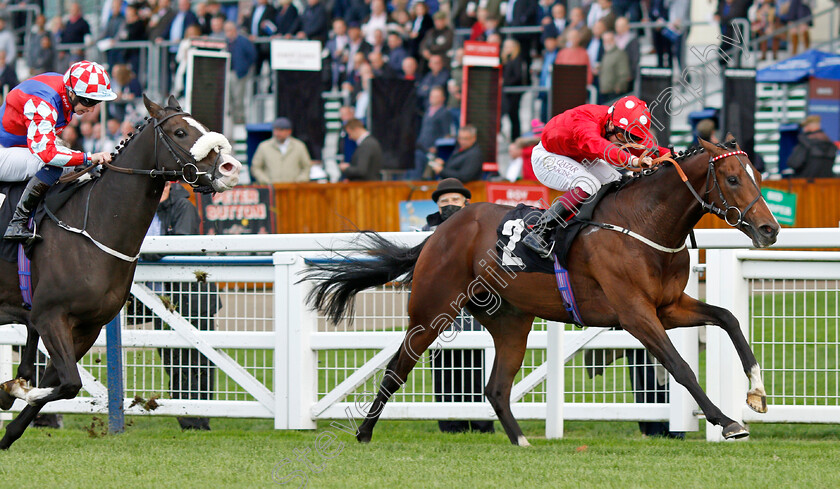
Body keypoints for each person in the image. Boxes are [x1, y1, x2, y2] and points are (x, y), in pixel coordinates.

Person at [520, 95, 671, 256]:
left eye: (632, 137)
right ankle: (539, 232)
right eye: (623, 137)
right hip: (547, 157)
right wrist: (632, 160)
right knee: (588, 184)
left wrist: (672, 156)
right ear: (611, 124)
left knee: (617, 182)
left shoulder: (616, 123)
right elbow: (600, 147)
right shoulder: (585, 123)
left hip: (577, 155)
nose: (626, 142)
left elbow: (645, 146)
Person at [1, 61, 116, 242]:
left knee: (70, 162)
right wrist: (88, 157)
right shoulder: (45, 101)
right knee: (54, 163)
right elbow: (46, 154)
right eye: (88, 101)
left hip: (19, 145)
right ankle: (17, 222)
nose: (92, 108)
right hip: (5, 149)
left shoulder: (64, 90)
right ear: (71, 92)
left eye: (97, 101)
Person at [143, 181, 218, 431]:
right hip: (163, 300)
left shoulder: (183, 207)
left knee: (197, 362)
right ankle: (187, 417)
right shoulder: (146, 207)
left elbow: (179, 243)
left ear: (169, 183)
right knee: (173, 362)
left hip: (192, 299)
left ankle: (198, 419)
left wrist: (139, 249)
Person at [422, 178, 495, 435]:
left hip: (476, 312)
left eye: (454, 200)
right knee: (444, 368)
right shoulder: (425, 232)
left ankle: (482, 424)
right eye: (444, 202)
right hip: (439, 315)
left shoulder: (482, 229)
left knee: (477, 367)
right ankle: (451, 424)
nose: (449, 205)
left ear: (467, 203)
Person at [250, 117, 312, 184]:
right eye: (276, 130)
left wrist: (299, 181)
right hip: (271, 189)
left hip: (293, 190)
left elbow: (306, 167)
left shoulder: (299, 146)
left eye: (281, 130)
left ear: (289, 131)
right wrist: (265, 181)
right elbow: (256, 167)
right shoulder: (264, 146)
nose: (278, 133)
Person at [413, 86, 453, 179]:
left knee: (428, 175)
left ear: (442, 98)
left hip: (432, 151)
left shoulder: (444, 113)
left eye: (436, 96)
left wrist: (436, 148)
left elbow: (446, 134)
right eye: (432, 96)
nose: (433, 99)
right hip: (421, 147)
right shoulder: (428, 111)